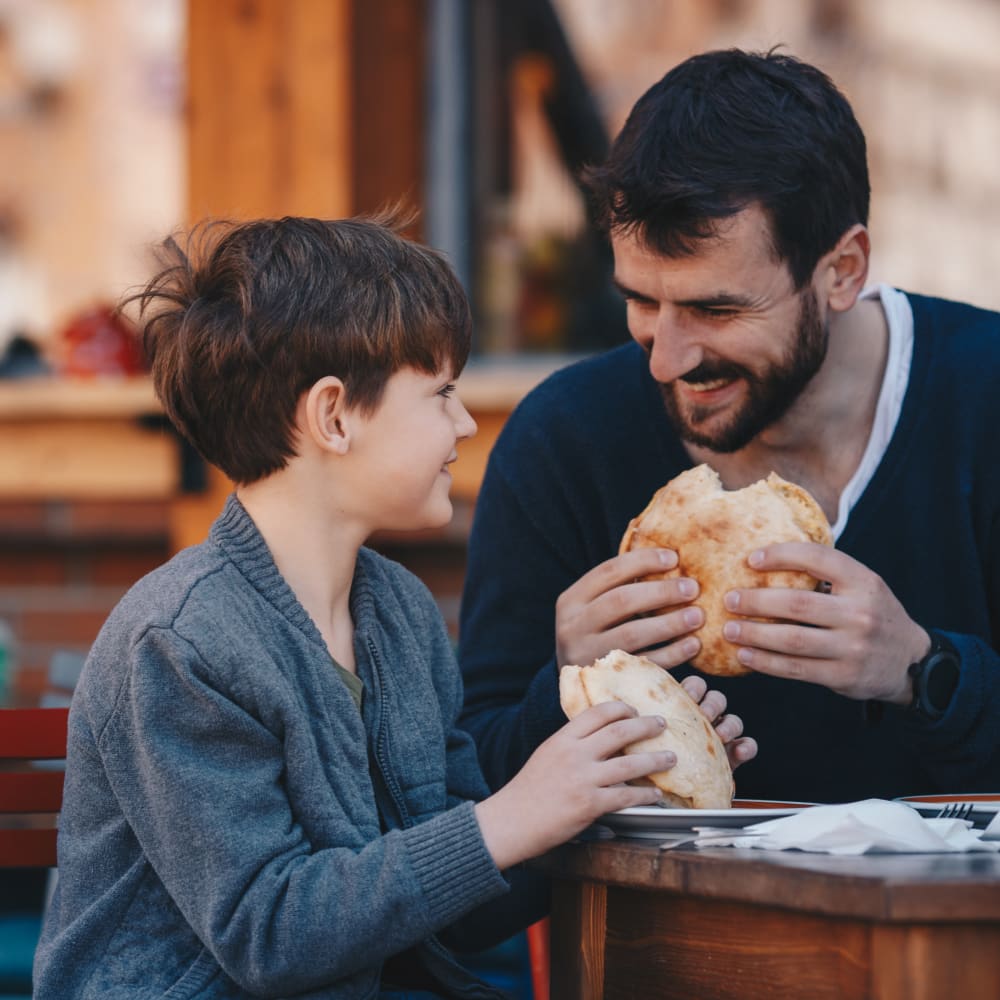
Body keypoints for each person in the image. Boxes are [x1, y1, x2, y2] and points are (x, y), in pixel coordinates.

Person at [32, 214, 750, 1000]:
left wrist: (614, 788)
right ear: (334, 415)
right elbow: (270, 934)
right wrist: (512, 817)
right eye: (440, 391)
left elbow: (456, 910)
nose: (464, 422)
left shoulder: (397, 614)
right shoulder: (180, 641)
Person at [458, 47, 1000, 805]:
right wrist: (565, 692)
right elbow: (465, 812)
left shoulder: (982, 396)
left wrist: (923, 671)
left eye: (716, 310)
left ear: (842, 271)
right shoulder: (566, 440)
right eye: (642, 301)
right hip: (656, 925)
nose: (666, 360)